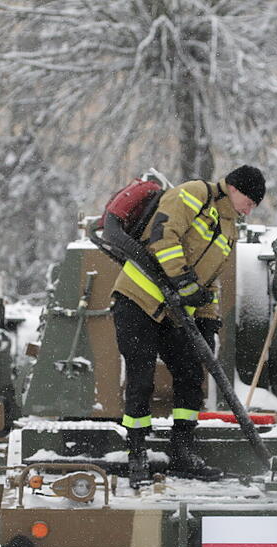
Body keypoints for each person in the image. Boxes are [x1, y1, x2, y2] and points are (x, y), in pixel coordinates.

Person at [111, 165, 264, 487]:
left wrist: (208, 319)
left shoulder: (230, 230)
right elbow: (163, 235)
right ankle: (136, 450)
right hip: (138, 298)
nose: (249, 210)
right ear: (234, 188)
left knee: (191, 373)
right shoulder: (195, 194)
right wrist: (182, 279)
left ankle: (182, 449)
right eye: (249, 201)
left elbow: (211, 283)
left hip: (174, 311)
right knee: (141, 377)